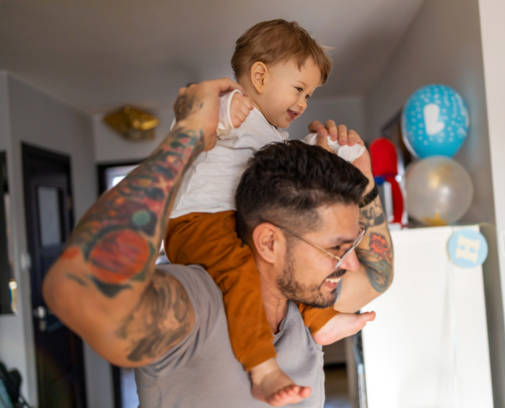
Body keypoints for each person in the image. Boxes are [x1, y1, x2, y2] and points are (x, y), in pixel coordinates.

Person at [42, 78, 393, 407]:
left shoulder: (305, 299)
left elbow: (379, 274)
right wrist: (189, 134)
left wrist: (362, 174)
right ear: (269, 242)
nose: (349, 263)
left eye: (349, 246)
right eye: (335, 248)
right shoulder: (197, 303)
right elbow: (82, 288)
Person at [164, 19, 367, 405]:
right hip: (198, 221)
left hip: (239, 221)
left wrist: (333, 149)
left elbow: (289, 159)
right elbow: (187, 122)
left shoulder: (272, 133)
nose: (304, 103)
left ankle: (319, 320)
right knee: (243, 275)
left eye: (310, 95)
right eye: (299, 89)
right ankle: (262, 368)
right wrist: (222, 113)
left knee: (294, 262)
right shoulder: (230, 104)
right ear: (259, 75)